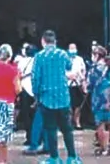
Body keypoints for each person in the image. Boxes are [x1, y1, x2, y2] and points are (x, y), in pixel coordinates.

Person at [31, 30, 80, 164]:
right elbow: (69, 66)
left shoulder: (39, 56)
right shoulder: (62, 54)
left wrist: (36, 95)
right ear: (55, 41)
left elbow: (35, 78)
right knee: (67, 129)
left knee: (50, 129)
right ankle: (72, 157)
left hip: (46, 98)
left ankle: (54, 158)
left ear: (43, 41)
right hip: (63, 97)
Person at [87, 46, 110, 157]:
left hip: (99, 98)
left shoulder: (95, 69)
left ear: (97, 55)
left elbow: (90, 84)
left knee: (100, 124)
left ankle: (103, 148)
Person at [66, 43, 87, 130]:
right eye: (71, 48)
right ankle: (69, 123)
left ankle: (77, 122)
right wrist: (68, 76)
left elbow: (83, 70)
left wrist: (82, 79)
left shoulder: (79, 59)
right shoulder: (65, 59)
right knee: (68, 105)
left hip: (77, 84)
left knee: (78, 105)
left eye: (74, 48)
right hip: (68, 84)